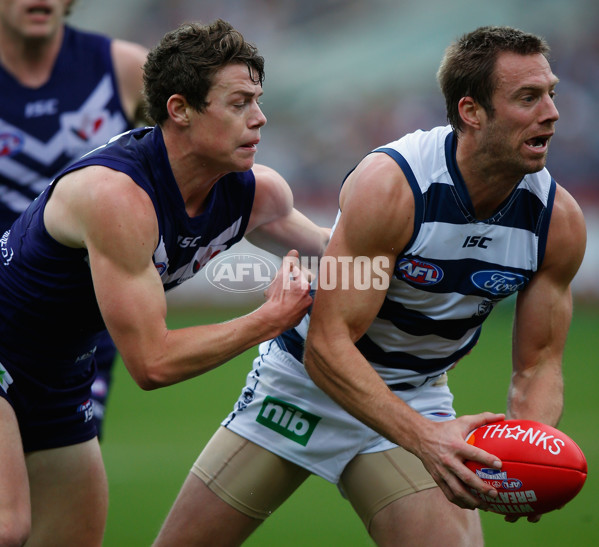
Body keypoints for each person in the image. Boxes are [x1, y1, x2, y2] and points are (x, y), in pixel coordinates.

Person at [153, 26, 587, 547]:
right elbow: (328, 345)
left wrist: (528, 456)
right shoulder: (395, 186)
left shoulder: (556, 221)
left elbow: (538, 362)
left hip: (416, 396)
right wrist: (425, 439)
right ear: (472, 112)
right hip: (303, 388)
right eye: (528, 97)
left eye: (551, 94)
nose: (552, 112)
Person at [0, 19, 329, 546]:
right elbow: (152, 363)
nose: (260, 118)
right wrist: (267, 320)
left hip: (59, 375)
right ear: (180, 110)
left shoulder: (255, 193)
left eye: (258, 100)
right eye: (239, 103)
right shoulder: (116, 196)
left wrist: (425, 239)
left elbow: (340, 256)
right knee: (7, 526)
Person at [0, 0, 149, 438]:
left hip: (82, 331)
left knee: (62, 484)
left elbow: (179, 164)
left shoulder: (123, 68)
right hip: (3, 314)